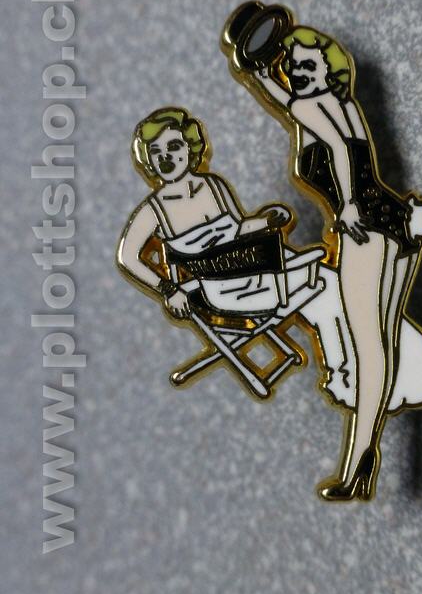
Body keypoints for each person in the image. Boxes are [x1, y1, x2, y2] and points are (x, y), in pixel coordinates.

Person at [238, 23, 422, 501]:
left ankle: (359, 463)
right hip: (396, 222)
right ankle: (367, 457)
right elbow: (288, 102)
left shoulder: (309, 107)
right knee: (383, 345)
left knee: (369, 351)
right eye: (292, 66)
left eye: (307, 65)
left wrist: (347, 207)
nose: (297, 72)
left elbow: (337, 150)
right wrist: (257, 71)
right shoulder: (343, 105)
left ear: (330, 67)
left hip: (365, 228)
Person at [117, 107, 356, 402]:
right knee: (323, 287)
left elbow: (239, 230)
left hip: (255, 267)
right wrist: (169, 289)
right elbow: (128, 257)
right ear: (148, 160)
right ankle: (344, 373)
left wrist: (266, 221)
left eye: (174, 146)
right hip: (224, 292)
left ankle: (346, 369)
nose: (166, 157)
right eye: (156, 152)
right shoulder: (154, 210)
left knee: (329, 282)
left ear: (190, 147)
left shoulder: (214, 187)